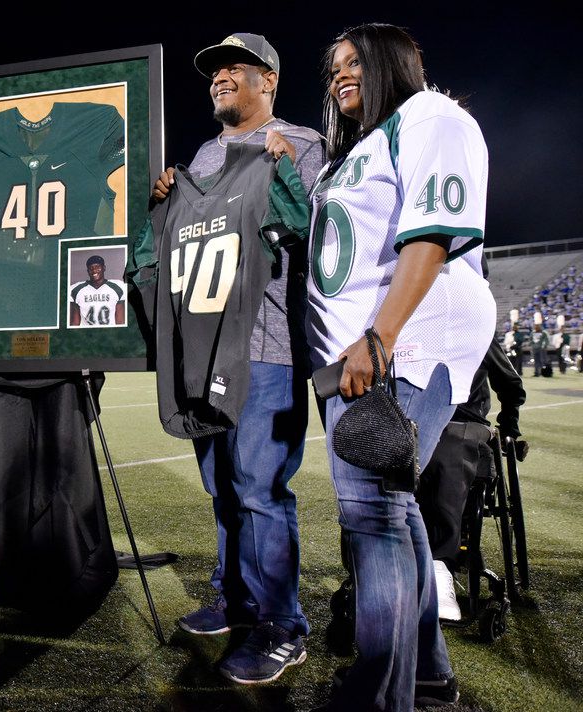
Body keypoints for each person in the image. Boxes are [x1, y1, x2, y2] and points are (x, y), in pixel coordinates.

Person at [304, 23, 494, 711]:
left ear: (394, 63)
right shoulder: (361, 145)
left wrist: (380, 339)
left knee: (373, 515)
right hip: (358, 348)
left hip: (403, 340)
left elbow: (433, 235)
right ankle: (427, 676)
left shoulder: (431, 115)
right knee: (392, 509)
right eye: (332, 68)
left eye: (354, 62)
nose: (339, 76)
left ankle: (378, 693)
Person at [149, 32, 325, 684]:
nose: (221, 76)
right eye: (216, 70)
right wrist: (168, 198)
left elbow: (310, 231)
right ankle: (237, 598)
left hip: (266, 346)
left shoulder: (302, 142)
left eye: (235, 68)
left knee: (259, 490)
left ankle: (285, 626)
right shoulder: (203, 152)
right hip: (205, 345)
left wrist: (279, 170)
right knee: (221, 488)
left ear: (269, 79)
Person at [417, 336, 525, 622]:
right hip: (412, 418)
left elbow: (511, 385)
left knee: (450, 443)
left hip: (462, 421)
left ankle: (440, 565)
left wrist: (509, 425)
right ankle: (371, 568)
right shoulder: (401, 320)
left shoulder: (475, 325)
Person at [69, 255, 125, 327]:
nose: (94, 270)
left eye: (97, 267)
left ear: (104, 268)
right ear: (87, 271)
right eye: (91, 268)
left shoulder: (118, 287)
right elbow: (75, 322)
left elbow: (120, 321)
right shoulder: (76, 289)